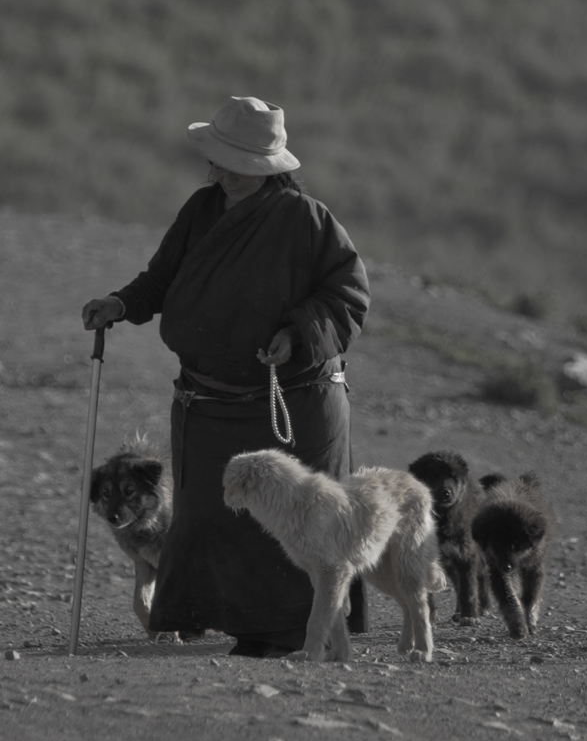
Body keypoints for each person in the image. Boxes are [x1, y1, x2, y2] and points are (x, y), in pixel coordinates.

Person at [82, 96, 371, 657]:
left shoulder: (308, 220)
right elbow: (161, 277)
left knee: (301, 520)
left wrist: (297, 332)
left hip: (292, 401)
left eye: (232, 165)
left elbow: (348, 296)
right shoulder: (202, 209)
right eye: (215, 161)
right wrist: (120, 303)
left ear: (265, 167)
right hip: (208, 403)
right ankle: (201, 615)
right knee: (207, 515)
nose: (217, 173)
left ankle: (290, 634)